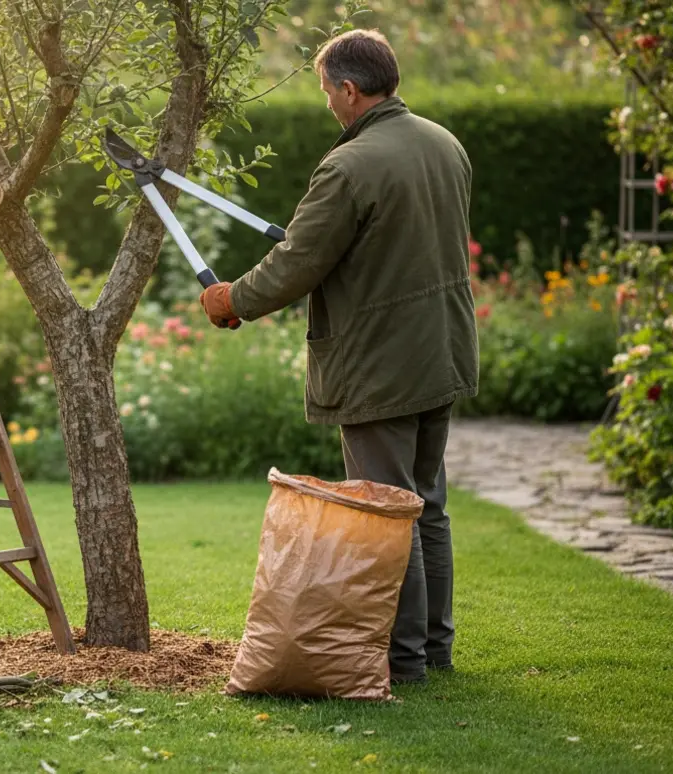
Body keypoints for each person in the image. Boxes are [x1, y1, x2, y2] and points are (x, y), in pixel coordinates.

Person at [198, 29, 479, 684]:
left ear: (350, 90)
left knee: (386, 510)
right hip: (442, 351)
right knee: (425, 504)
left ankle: (402, 662)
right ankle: (434, 650)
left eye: (327, 91)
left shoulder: (349, 166)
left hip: (381, 364)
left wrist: (230, 298)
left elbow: (298, 263)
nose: (327, 103)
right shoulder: (444, 143)